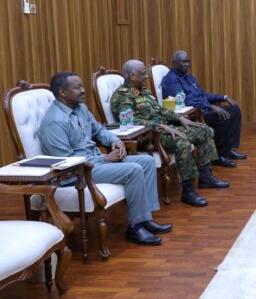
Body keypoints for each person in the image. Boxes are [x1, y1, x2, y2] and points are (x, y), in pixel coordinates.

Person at [39, 72, 172, 246]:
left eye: (82, 86)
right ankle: (135, 228)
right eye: (77, 87)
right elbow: (66, 162)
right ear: (62, 92)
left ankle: (144, 219)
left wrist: (115, 141)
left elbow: (99, 130)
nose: (83, 90)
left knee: (147, 161)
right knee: (133, 170)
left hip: (94, 162)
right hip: (75, 173)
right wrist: (105, 158)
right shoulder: (54, 121)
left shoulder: (81, 108)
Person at [110, 60, 229, 208]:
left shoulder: (143, 91)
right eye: (143, 74)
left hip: (166, 129)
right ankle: (188, 191)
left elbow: (159, 109)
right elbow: (130, 121)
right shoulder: (122, 96)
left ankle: (206, 177)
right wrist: (159, 125)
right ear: (132, 76)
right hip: (148, 137)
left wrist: (179, 118)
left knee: (204, 130)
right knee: (182, 142)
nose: (146, 76)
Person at [161, 50, 246, 169]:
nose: (187, 64)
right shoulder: (171, 80)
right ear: (174, 63)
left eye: (188, 62)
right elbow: (184, 101)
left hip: (204, 109)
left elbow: (202, 94)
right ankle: (220, 155)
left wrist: (223, 97)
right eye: (184, 62)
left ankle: (228, 149)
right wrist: (210, 107)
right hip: (193, 115)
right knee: (222, 117)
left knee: (234, 109)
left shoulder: (189, 77)